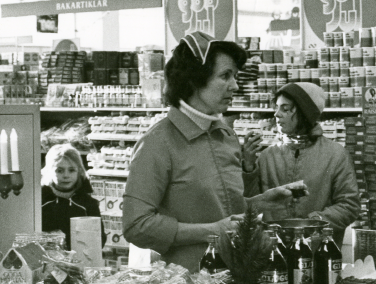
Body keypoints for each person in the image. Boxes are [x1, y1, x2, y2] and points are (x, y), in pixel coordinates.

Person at [122, 32, 291, 271]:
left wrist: (260, 203)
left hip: (240, 274)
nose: (235, 85)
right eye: (225, 76)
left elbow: (222, 210)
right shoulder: (157, 144)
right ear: (194, 79)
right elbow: (136, 225)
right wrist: (210, 232)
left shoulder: (226, 136)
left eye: (235, 76)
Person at [242, 82, 359, 233]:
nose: (276, 114)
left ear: (305, 113)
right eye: (276, 108)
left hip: (318, 248)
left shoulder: (336, 154)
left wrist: (313, 223)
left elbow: (349, 206)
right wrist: (249, 166)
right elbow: (250, 206)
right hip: (273, 249)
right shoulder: (267, 156)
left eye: (285, 109)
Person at [41, 143, 101, 249]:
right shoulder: (41, 201)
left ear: (80, 171)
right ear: (48, 171)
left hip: (81, 258)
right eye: (59, 170)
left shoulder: (88, 204)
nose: (66, 175)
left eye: (71, 170)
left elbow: (101, 239)